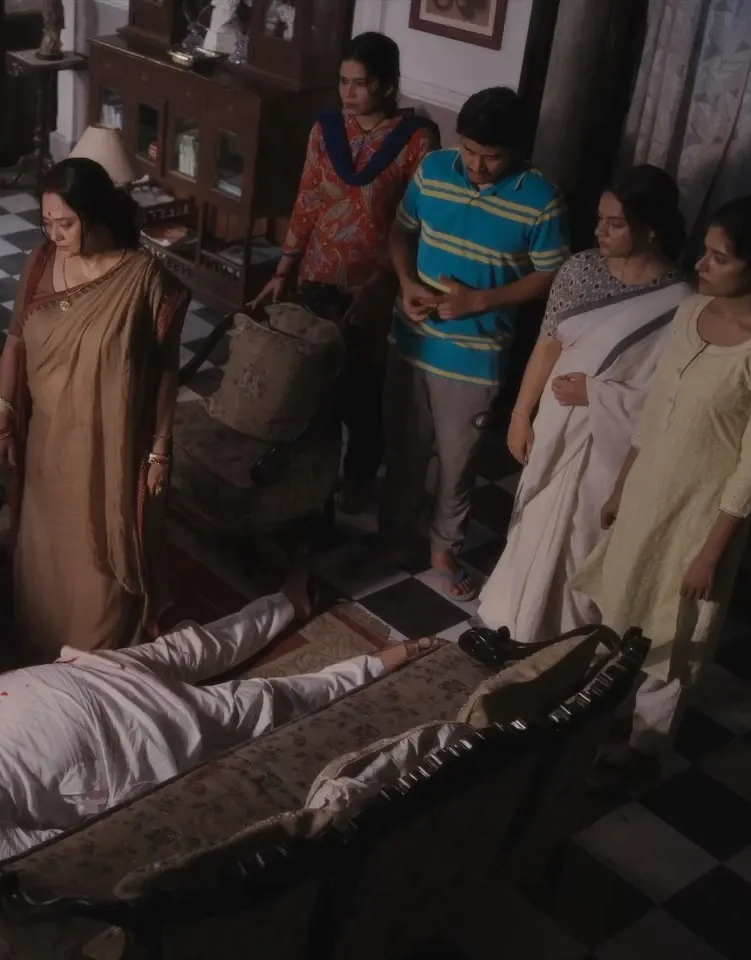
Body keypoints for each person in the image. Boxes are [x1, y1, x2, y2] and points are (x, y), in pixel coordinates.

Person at [0, 569, 437, 891]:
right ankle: (382, 665)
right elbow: (66, 857)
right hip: (139, 737)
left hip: (90, 672)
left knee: (198, 643)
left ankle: (287, 605)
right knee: (269, 702)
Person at [573, 195, 751, 788]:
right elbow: (656, 411)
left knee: (673, 634)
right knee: (621, 604)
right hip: (647, 493)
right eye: (704, 251)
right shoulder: (691, 313)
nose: (701, 265)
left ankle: (645, 747)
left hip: (702, 517)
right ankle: (602, 712)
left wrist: (711, 552)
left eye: (719, 258)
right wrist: (622, 485)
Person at [475, 165, 693, 645]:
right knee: (536, 522)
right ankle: (515, 621)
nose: (600, 231)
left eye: (615, 223)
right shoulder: (579, 270)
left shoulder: (682, 302)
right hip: (558, 426)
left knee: (584, 537)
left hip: (613, 447)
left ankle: (569, 640)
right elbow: (548, 345)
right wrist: (521, 414)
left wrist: (595, 395)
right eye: (599, 219)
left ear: (651, 229)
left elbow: (671, 401)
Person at [0, 158, 191, 657]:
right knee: (45, 550)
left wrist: (160, 449)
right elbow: (15, 341)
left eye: (66, 224)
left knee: (99, 555)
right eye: (47, 223)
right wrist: (1, 415)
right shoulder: (40, 263)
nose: (55, 235)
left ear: (95, 215)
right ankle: (42, 646)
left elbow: (166, 370)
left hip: (109, 451)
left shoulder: (143, 278)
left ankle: (94, 656)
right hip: (47, 442)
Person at [382, 86, 569, 601]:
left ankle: (443, 550)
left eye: (492, 157)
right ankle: (394, 538)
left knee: (457, 462)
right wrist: (406, 282)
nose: (477, 166)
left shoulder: (541, 199)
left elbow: (551, 276)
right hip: (412, 339)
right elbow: (400, 231)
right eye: (468, 150)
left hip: (476, 356)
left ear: (518, 151)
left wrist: (480, 301)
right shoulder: (433, 170)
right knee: (403, 448)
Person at [251, 32, 438, 511]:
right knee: (312, 377)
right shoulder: (327, 129)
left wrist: (383, 284)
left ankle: (358, 477)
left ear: (388, 85)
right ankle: (308, 477)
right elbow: (308, 199)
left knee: (363, 387)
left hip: (375, 281)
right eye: (343, 81)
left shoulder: (416, 140)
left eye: (361, 83)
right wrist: (285, 267)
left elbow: (415, 222)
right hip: (319, 273)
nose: (348, 93)